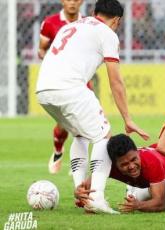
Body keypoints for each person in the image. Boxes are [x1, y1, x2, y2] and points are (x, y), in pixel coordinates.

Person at [36, 0, 149, 214]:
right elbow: (115, 81)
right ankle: (96, 197)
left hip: (43, 90)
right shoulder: (107, 33)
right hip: (69, 88)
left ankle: (82, 193)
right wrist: (128, 118)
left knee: (80, 135)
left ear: (94, 12)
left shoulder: (71, 26)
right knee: (104, 137)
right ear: (116, 21)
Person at [74, 134, 165, 213]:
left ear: (137, 151)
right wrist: (79, 194)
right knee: (142, 197)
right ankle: (134, 190)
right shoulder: (108, 166)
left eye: (134, 159)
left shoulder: (151, 162)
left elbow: (159, 203)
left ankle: (135, 190)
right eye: (124, 164)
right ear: (113, 163)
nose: (131, 166)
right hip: (151, 181)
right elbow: (86, 189)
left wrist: (138, 205)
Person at [39, 0, 87, 174]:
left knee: (82, 122)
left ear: (81, 1)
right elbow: (41, 49)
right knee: (64, 123)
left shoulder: (87, 24)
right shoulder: (50, 23)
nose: (72, 3)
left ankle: (77, 165)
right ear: (62, 1)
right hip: (59, 80)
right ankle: (58, 151)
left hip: (82, 80)